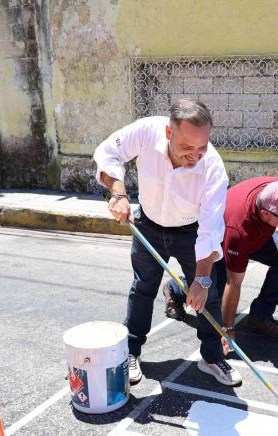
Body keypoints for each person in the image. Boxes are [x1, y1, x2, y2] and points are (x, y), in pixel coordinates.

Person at [93, 98, 241, 386]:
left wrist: (201, 280)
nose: (195, 156)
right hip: (148, 224)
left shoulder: (212, 165)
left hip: (191, 231)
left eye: (201, 147)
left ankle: (211, 357)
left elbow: (211, 227)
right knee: (143, 288)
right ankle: (130, 352)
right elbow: (108, 152)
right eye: (187, 148)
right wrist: (119, 194)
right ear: (169, 133)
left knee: (208, 296)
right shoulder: (148, 131)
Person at [163, 177, 278, 346]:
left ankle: (259, 318)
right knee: (213, 291)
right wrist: (227, 328)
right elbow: (234, 283)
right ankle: (175, 288)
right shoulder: (238, 232)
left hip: (259, 233)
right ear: (266, 213)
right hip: (225, 236)